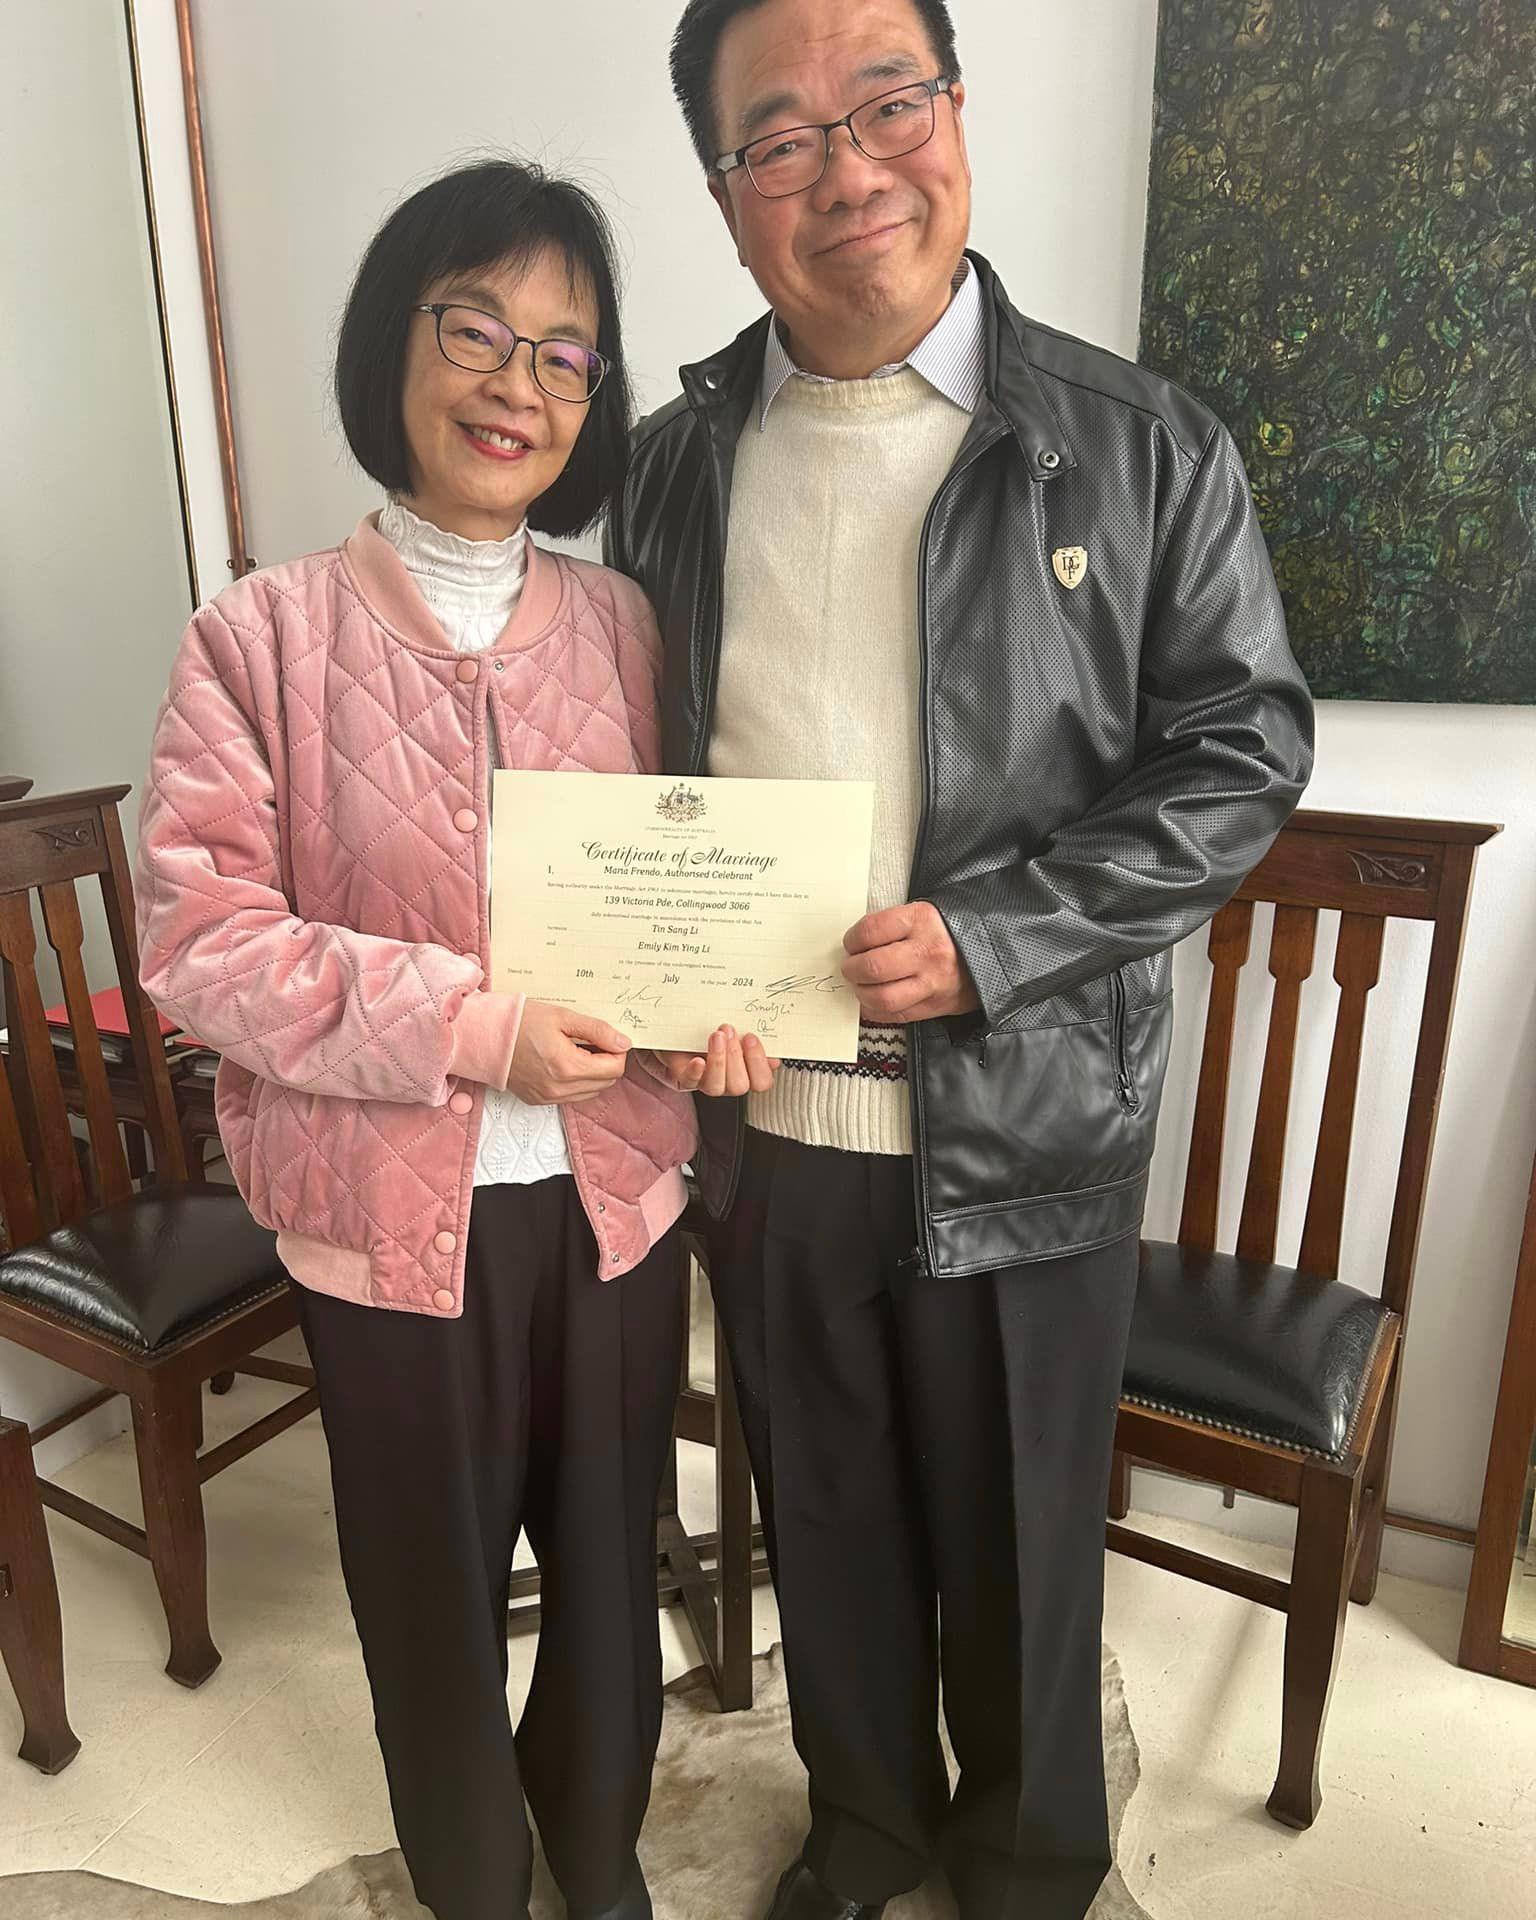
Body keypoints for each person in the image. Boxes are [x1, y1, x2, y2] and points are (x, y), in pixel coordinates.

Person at [607, 4, 1316, 1917]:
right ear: (727, 191)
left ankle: (1026, 1860)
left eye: (886, 103)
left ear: (955, 115)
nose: (846, 168)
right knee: (823, 1514)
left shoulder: (1138, 441)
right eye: (780, 136)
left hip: (1027, 1116)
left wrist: (1001, 940)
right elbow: (623, 764)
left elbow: (1246, 750)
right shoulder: (672, 467)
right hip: (768, 1123)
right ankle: (864, 1830)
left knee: (1017, 1540)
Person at [136, 159, 760, 1920]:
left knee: (609, 1566)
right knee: (426, 1588)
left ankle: (600, 1855)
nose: (517, 382)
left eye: (565, 353)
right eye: (476, 327)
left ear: (597, 396)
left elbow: (682, 880)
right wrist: (474, 1027)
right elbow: (203, 941)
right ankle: (476, 1882)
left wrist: (728, 1007)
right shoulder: (256, 634)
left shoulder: (630, 625)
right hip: (380, 1218)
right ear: (390, 346)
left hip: (613, 1197)